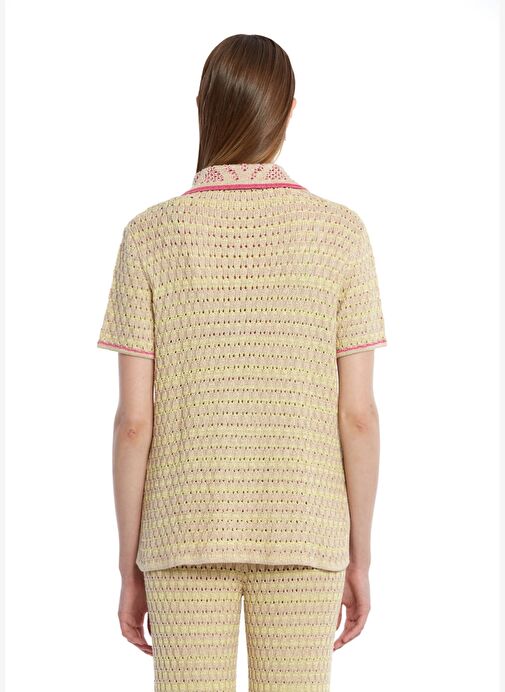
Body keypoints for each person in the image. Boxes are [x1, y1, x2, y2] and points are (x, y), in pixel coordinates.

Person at [97, 33, 387, 692]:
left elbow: (134, 424)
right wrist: (359, 557)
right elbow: (359, 416)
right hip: (306, 528)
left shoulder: (149, 235)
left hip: (182, 530)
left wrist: (128, 564)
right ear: (288, 111)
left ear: (202, 106)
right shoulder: (341, 233)